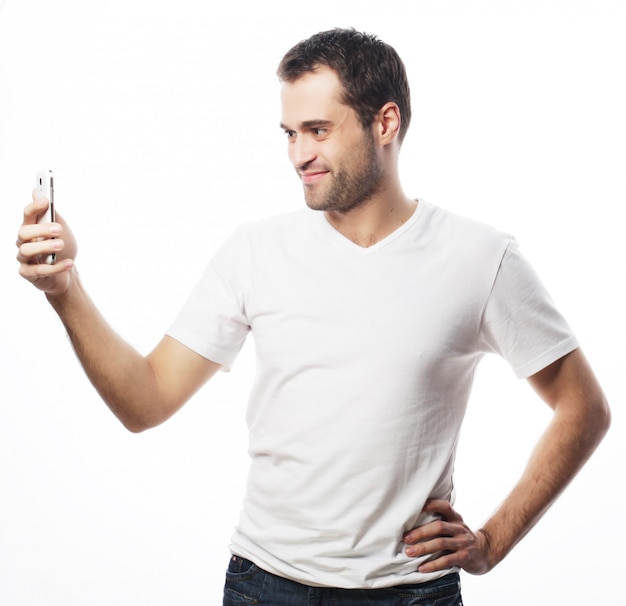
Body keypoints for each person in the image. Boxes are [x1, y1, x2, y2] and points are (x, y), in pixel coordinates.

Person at [16, 28, 610, 606]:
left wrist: (490, 544)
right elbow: (145, 401)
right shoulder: (255, 251)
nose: (300, 154)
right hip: (263, 584)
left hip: (411, 590)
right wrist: (65, 290)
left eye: (318, 131)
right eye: (290, 133)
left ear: (386, 123)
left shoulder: (480, 257)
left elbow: (583, 408)